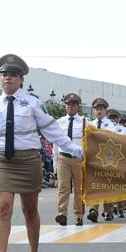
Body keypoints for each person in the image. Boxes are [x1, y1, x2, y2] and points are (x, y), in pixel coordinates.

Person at [0, 54, 83, 252]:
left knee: (29, 210)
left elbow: (51, 131)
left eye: (12, 75)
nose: (7, 79)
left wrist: (74, 149)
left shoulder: (33, 103)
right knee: (3, 207)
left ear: (21, 79)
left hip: (28, 160)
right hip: (2, 161)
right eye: (4, 75)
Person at [53, 93, 87, 227]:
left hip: (79, 159)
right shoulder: (59, 122)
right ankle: (62, 215)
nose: (70, 107)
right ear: (65, 107)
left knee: (79, 189)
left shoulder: (85, 121)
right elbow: (55, 143)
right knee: (63, 188)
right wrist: (55, 162)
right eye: (68, 104)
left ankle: (78, 215)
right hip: (63, 158)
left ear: (78, 107)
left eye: (73, 104)